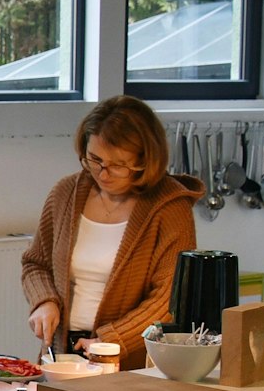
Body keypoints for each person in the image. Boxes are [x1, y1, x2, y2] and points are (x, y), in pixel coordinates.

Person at [22, 94, 202, 370]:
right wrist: (43, 301)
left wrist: (112, 339)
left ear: (145, 160)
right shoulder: (66, 193)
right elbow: (36, 263)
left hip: (129, 360)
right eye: (95, 159)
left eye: (118, 165)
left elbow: (169, 298)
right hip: (62, 354)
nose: (103, 173)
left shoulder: (170, 209)